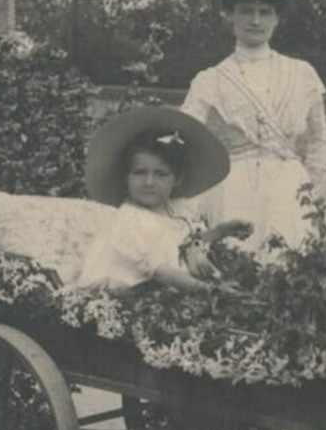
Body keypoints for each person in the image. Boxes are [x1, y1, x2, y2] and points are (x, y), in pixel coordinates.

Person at [181, 0, 326, 250]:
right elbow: (184, 137)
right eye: (246, 11)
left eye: (265, 12)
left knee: (290, 263)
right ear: (230, 15)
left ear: (277, 19)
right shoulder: (211, 79)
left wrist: (312, 190)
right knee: (238, 263)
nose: (256, 20)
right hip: (234, 187)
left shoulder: (302, 73)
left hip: (289, 186)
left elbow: (318, 139)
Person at [77, 105, 242, 294]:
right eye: (139, 173)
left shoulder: (175, 210)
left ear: (177, 179)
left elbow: (186, 242)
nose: (148, 182)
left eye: (161, 174)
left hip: (162, 292)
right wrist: (210, 290)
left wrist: (222, 231)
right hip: (121, 295)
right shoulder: (129, 220)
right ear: (126, 177)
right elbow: (159, 271)